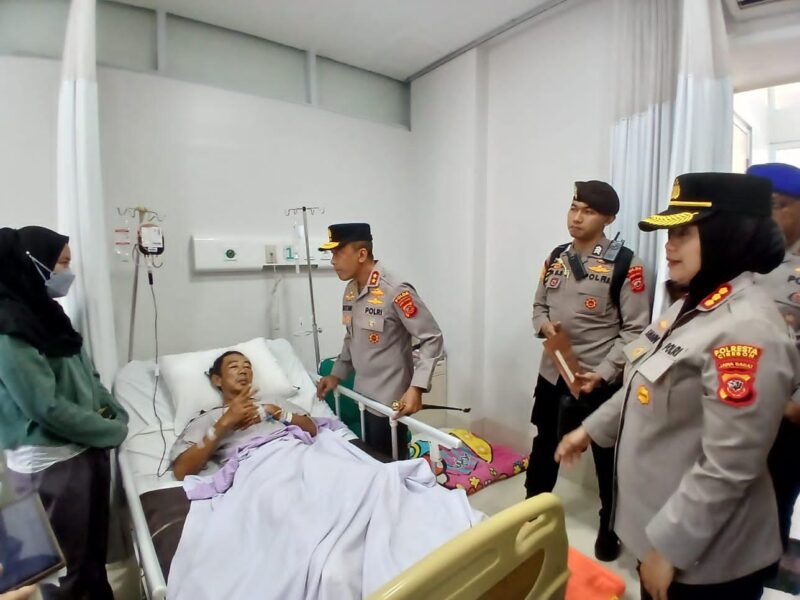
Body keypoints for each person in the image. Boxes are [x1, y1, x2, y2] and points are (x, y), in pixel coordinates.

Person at [557, 172, 797, 600]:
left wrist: (669, 548)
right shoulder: (696, 303)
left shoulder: (746, 329)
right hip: (660, 526)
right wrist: (589, 430)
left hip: (706, 559)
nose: (669, 245)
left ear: (728, 235)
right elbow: (644, 377)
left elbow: (729, 465)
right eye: (670, 233)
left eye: (683, 233)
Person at [0, 226, 129, 600]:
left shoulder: (50, 314)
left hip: (83, 450)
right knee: (60, 574)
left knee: (92, 560)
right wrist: (110, 432)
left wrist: (115, 413)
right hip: (47, 465)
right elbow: (45, 406)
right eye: (61, 264)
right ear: (31, 263)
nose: (67, 274)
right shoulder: (9, 329)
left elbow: (88, 375)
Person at [527, 180, 651, 561]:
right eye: (574, 208)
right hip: (553, 375)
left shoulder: (627, 265)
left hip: (598, 381)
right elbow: (538, 307)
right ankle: (531, 513)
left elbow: (637, 332)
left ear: (608, 218)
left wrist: (604, 371)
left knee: (606, 460)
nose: (577, 218)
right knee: (544, 444)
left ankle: (609, 528)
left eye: (589, 211)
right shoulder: (557, 257)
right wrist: (545, 326)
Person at [316, 223, 443, 459]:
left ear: (362, 254)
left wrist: (416, 388)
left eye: (338, 253)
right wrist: (336, 374)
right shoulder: (351, 291)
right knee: (372, 461)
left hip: (389, 402)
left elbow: (432, 337)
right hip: (362, 396)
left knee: (392, 466)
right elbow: (351, 337)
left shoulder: (395, 289)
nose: (332, 261)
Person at [747, 162, 800, 552]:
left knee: (773, 506)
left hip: (784, 418)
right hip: (730, 403)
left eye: (777, 205)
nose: (766, 218)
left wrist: (795, 406)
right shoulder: (742, 258)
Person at [172, 350, 317, 480]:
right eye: (234, 366)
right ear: (217, 380)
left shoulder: (273, 402)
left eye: (247, 367)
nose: (243, 371)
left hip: (297, 454)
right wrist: (224, 423)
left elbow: (313, 429)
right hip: (257, 469)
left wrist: (277, 413)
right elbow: (181, 471)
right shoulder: (208, 418)